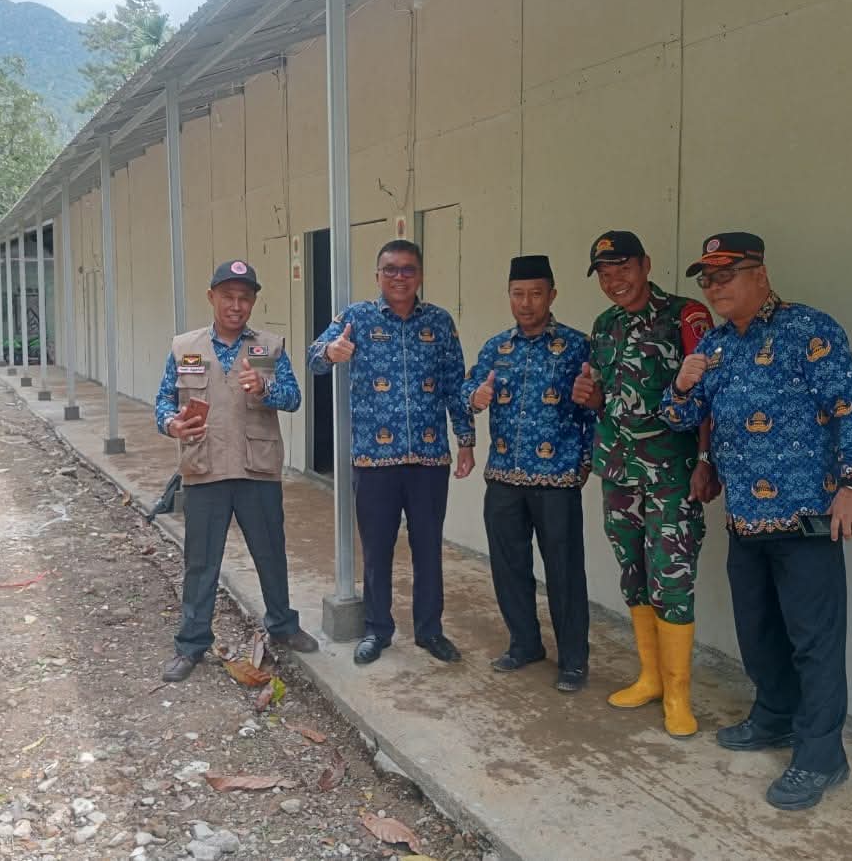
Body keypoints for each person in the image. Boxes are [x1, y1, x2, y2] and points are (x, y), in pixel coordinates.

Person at [660, 231, 852, 811]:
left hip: (808, 516)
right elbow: (683, 416)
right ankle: (775, 715)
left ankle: (822, 756)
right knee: (757, 633)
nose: (714, 288)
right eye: (707, 280)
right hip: (746, 519)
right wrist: (682, 385)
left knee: (814, 641)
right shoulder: (714, 346)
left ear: (759, 274)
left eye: (724, 276)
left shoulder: (809, 330)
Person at [570, 230, 719, 738]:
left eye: (623, 269)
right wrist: (590, 397)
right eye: (605, 273)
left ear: (646, 265)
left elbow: (707, 394)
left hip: (671, 474)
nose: (615, 280)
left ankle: (678, 695)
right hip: (618, 470)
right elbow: (606, 397)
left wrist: (706, 460)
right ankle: (651, 678)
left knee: (671, 577)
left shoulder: (685, 315)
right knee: (633, 572)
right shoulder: (604, 325)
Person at [309, 239, 475, 666]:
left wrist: (466, 442)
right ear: (377, 275)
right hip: (374, 460)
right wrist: (331, 352)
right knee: (377, 551)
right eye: (391, 269)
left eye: (408, 269)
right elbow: (313, 358)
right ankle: (377, 630)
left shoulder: (439, 322)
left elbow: (456, 386)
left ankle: (430, 630)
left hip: (429, 459)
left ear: (420, 275)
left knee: (428, 548)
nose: (399, 277)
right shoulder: (356, 318)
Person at [154, 259, 319, 683]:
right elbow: (164, 403)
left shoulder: (267, 348)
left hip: (255, 468)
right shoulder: (186, 348)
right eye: (227, 296)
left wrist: (266, 387)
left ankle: (282, 625)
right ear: (211, 297)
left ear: (253, 302)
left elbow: (293, 397)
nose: (236, 305)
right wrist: (172, 424)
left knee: (271, 553)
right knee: (200, 561)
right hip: (204, 468)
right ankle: (191, 644)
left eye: (244, 297)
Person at [461, 255, 595, 692]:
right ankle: (525, 643)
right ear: (509, 296)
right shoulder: (496, 348)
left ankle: (573, 659)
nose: (526, 302)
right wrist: (475, 398)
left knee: (564, 572)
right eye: (518, 294)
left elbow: (595, 408)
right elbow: (467, 389)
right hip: (503, 477)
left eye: (536, 293)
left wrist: (586, 461)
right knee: (508, 567)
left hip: (557, 478)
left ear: (552, 295)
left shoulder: (577, 346)